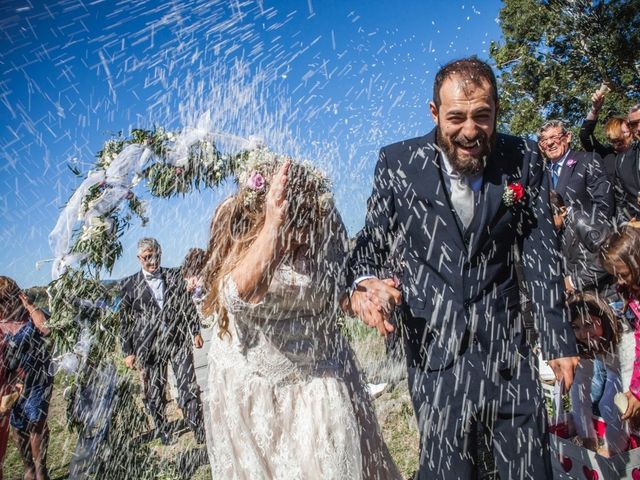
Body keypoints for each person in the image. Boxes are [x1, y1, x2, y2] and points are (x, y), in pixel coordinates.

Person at [347, 56, 579, 479]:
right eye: (456, 117)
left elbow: (541, 251)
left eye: (482, 116)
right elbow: (370, 243)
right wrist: (364, 284)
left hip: (508, 352)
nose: (470, 131)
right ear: (434, 113)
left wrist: (558, 336)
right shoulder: (398, 163)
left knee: (528, 469)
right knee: (449, 470)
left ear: (496, 111)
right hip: (436, 355)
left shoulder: (523, 156)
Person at [202, 153, 401, 479]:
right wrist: (274, 229)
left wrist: (358, 299)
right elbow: (234, 297)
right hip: (257, 386)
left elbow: (333, 289)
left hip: (322, 377)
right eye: (296, 224)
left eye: (308, 222)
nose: (304, 237)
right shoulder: (241, 221)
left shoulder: (324, 217)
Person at [119, 238, 206, 445]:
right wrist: (128, 351)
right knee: (155, 393)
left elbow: (187, 305)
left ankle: (198, 427)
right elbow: (125, 321)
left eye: (156, 255)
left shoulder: (174, 275)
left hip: (177, 340)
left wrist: (195, 330)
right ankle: (163, 429)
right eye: (148, 257)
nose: (153, 260)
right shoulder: (129, 285)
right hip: (149, 347)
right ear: (139, 258)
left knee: (188, 385)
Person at [567, 291, 634, 456]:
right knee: (606, 404)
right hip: (616, 371)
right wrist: (587, 436)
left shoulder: (625, 337)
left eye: (588, 324)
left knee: (614, 407)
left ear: (603, 318)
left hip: (633, 373)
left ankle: (617, 451)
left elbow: (627, 397)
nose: (583, 334)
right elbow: (580, 389)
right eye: (575, 327)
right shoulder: (585, 343)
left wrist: (611, 450)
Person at [0, 276, 52, 480]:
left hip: (38, 378)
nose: (5, 306)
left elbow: (47, 329)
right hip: (11, 384)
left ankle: (41, 470)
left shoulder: (31, 315)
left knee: (37, 424)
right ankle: (28, 468)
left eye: (7, 299)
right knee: (18, 425)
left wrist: (30, 306)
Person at [600, 224, 640, 422]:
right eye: (616, 275)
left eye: (623, 274)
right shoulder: (632, 292)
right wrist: (635, 389)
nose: (620, 282)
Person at [538, 119, 613, 222]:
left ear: (568, 137)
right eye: (544, 140)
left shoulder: (588, 160)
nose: (549, 143)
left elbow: (604, 204)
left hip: (586, 234)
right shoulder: (541, 172)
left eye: (554, 137)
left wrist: (592, 233)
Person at [549, 190, 613, 295]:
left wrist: (573, 281)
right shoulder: (561, 229)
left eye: (550, 219)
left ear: (563, 211)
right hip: (589, 293)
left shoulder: (582, 222)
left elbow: (609, 256)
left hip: (605, 293)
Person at [579, 86, 632, 161]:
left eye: (624, 133)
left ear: (632, 133)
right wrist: (595, 109)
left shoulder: (636, 154)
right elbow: (585, 135)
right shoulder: (606, 154)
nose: (620, 138)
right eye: (615, 136)